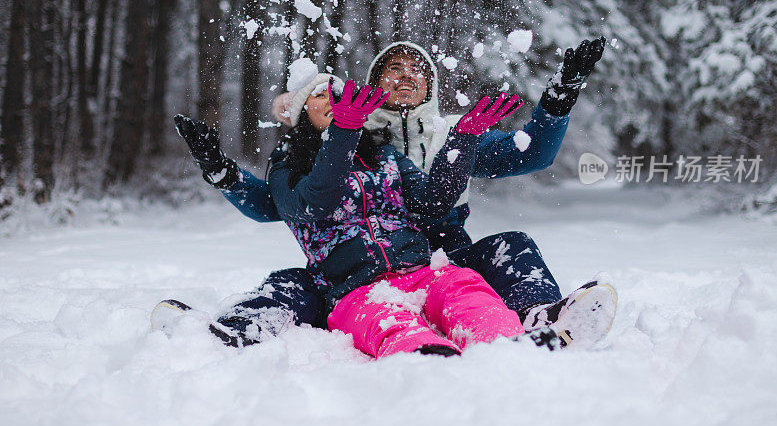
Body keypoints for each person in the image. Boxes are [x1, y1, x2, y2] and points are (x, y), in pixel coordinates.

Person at [166, 39, 616, 348]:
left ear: (431, 87)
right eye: (394, 68)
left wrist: (558, 97)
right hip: (354, 269)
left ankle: (542, 319)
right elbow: (279, 203)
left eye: (418, 70)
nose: (407, 76)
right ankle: (230, 334)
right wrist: (225, 173)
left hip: (441, 260)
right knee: (296, 283)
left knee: (511, 247)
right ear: (370, 84)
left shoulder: (447, 135)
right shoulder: (347, 137)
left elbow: (530, 153)